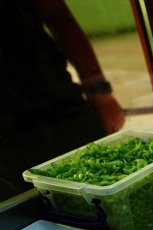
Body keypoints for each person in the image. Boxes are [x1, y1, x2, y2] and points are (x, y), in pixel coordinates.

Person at [0, 0, 125, 203]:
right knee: (21, 214)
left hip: (57, 102)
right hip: (5, 134)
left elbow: (58, 16)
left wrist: (100, 93)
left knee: (102, 193)